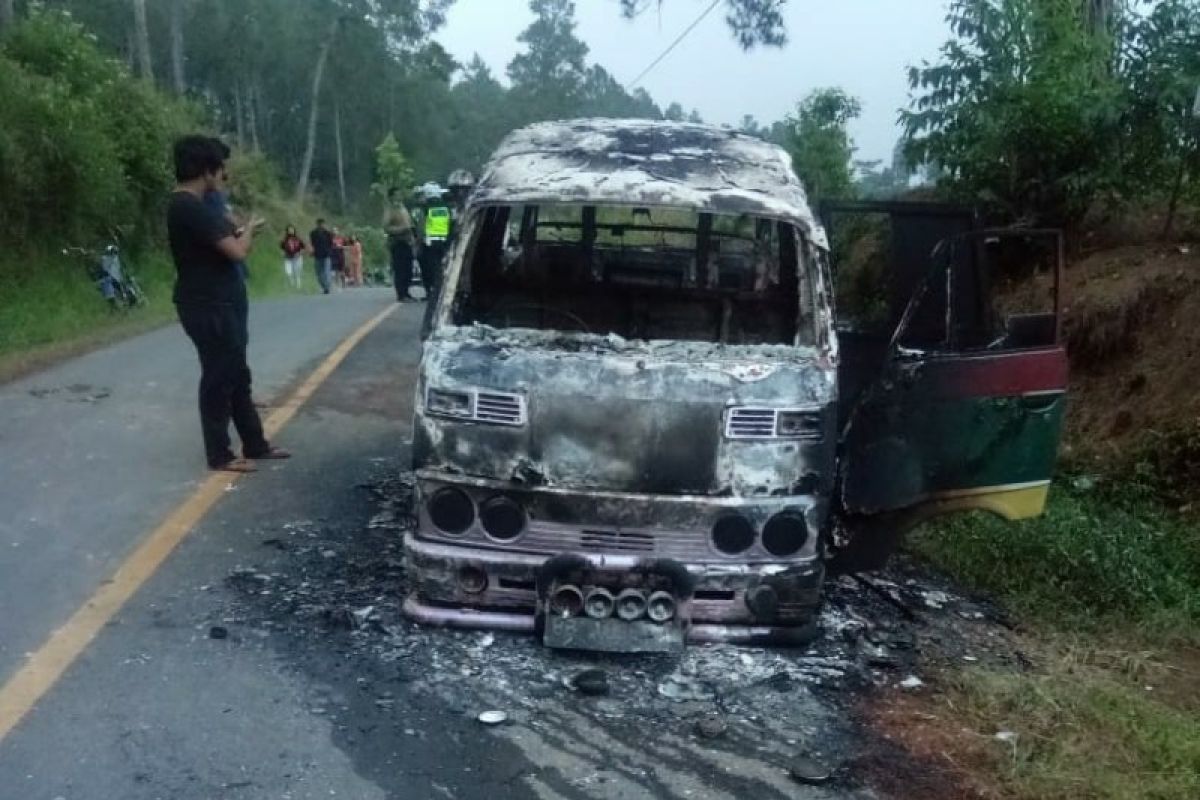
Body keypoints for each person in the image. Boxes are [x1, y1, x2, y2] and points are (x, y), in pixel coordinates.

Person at [167, 135, 291, 473]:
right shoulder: (189, 207)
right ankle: (219, 453)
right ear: (207, 170)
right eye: (220, 169)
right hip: (207, 303)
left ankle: (255, 443)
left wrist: (240, 233)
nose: (224, 176)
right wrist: (249, 230)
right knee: (219, 377)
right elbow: (236, 251)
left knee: (236, 373)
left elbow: (221, 245)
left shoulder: (190, 206)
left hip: (215, 299)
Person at [383, 188, 416, 302]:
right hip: (397, 242)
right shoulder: (390, 210)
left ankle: (406, 292)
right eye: (396, 195)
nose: (399, 197)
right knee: (400, 269)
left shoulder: (403, 207)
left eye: (399, 194)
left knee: (408, 269)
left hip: (407, 241)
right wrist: (402, 229)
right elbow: (386, 227)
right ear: (391, 197)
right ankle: (401, 294)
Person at [309, 218, 334, 294]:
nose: (321, 225)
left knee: (326, 272)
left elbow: (330, 244)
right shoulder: (313, 233)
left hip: (326, 255)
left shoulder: (328, 233)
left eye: (322, 224)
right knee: (318, 273)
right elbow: (312, 244)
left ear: (324, 224)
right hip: (317, 255)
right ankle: (324, 286)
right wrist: (312, 251)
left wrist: (329, 252)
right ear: (317, 224)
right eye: (319, 224)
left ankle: (327, 287)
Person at [280, 225, 306, 289]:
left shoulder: (298, 238)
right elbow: (282, 248)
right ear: (287, 231)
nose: (290, 231)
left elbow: (303, 247)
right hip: (288, 258)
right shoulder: (284, 240)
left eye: (292, 230)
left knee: (297, 272)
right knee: (288, 272)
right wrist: (282, 253)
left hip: (297, 258)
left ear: (294, 231)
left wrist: (300, 253)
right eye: (289, 230)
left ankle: (298, 285)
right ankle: (291, 282)